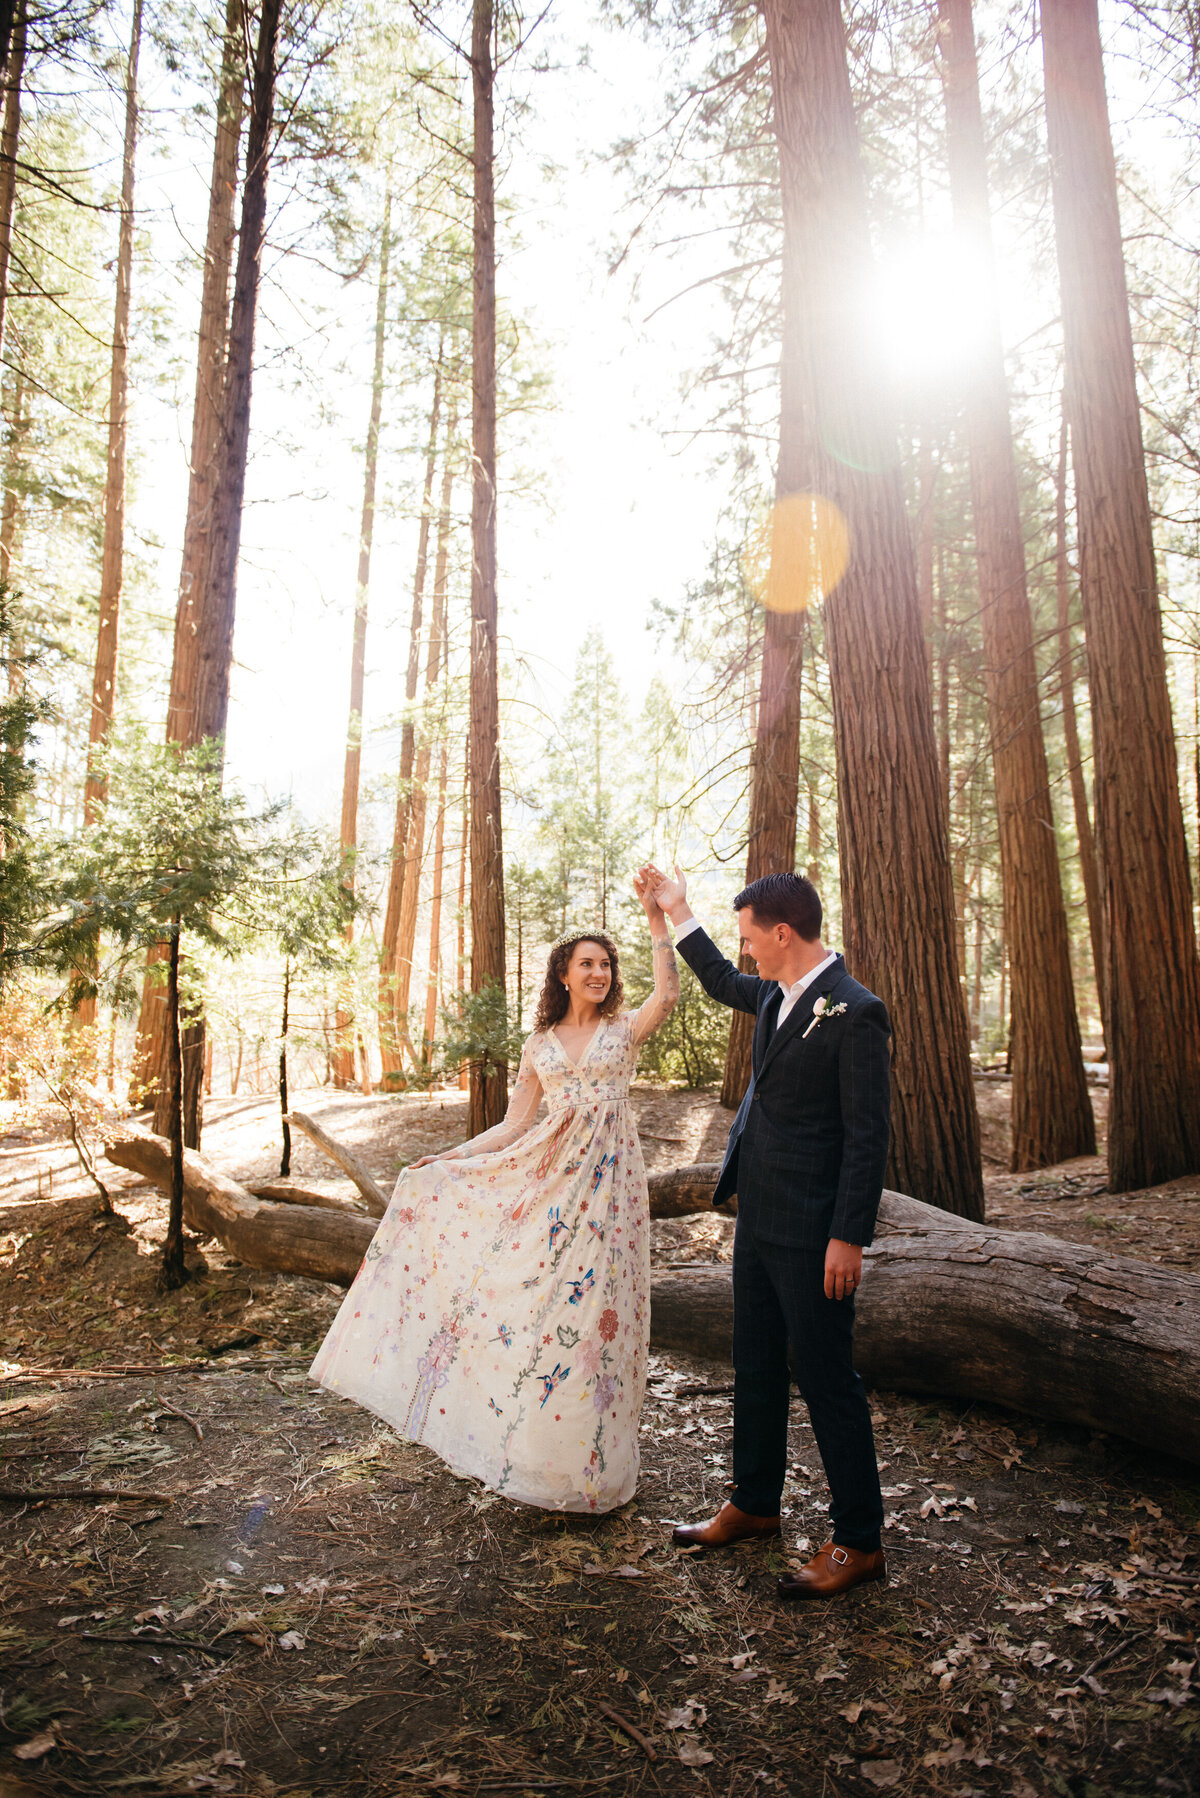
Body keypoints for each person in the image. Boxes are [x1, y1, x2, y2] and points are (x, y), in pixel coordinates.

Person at [309, 874, 679, 1514]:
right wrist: (448, 1158)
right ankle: (545, 1461)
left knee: (604, 1322)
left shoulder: (624, 1029)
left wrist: (656, 923)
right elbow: (515, 1124)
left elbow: (667, 995)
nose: (600, 972)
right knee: (553, 1318)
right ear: (563, 973)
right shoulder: (540, 1044)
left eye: (606, 963)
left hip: (615, 1199)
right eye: (587, 963)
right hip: (556, 1192)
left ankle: (599, 1472)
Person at [646, 864, 891, 1600]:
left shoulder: (855, 1011)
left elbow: (866, 1136)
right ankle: (754, 1504)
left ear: (783, 934)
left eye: (752, 938)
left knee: (825, 1381)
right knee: (753, 1365)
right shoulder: (779, 994)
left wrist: (848, 1236)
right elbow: (720, 978)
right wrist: (677, 911)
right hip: (758, 1220)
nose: (746, 950)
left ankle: (858, 1541)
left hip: (816, 1234)